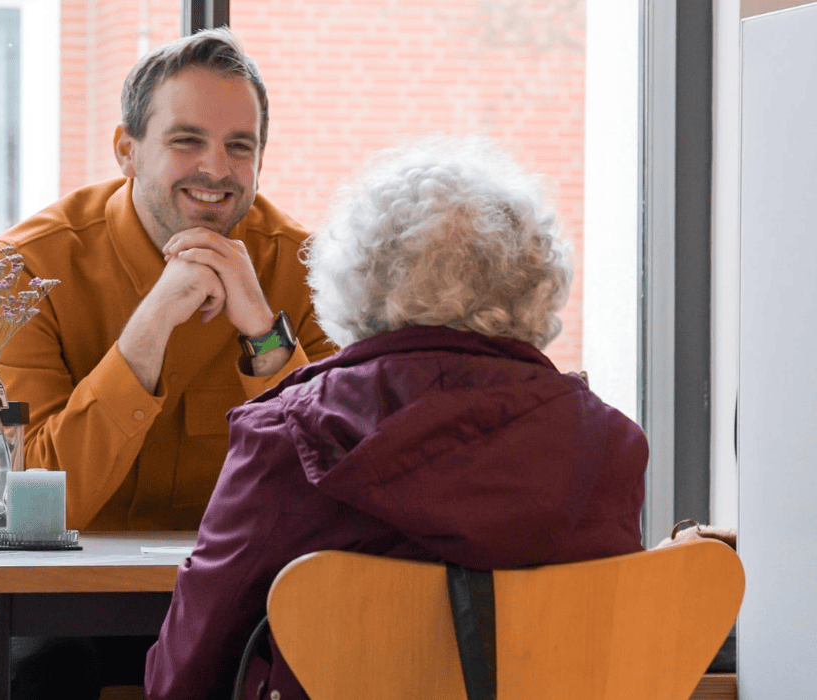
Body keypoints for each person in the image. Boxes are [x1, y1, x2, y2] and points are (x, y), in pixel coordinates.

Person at [143, 135, 650, 700]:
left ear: (355, 278)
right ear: (534, 283)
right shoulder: (610, 447)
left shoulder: (286, 435)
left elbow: (180, 680)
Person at [0, 28, 336, 699]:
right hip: (37, 601)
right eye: (187, 140)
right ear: (127, 149)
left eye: (241, 146)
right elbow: (18, 503)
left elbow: (328, 482)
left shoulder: (307, 270)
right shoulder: (24, 268)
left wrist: (265, 335)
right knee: (49, 672)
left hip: (217, 602)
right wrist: (146, 330)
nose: (216, 167)